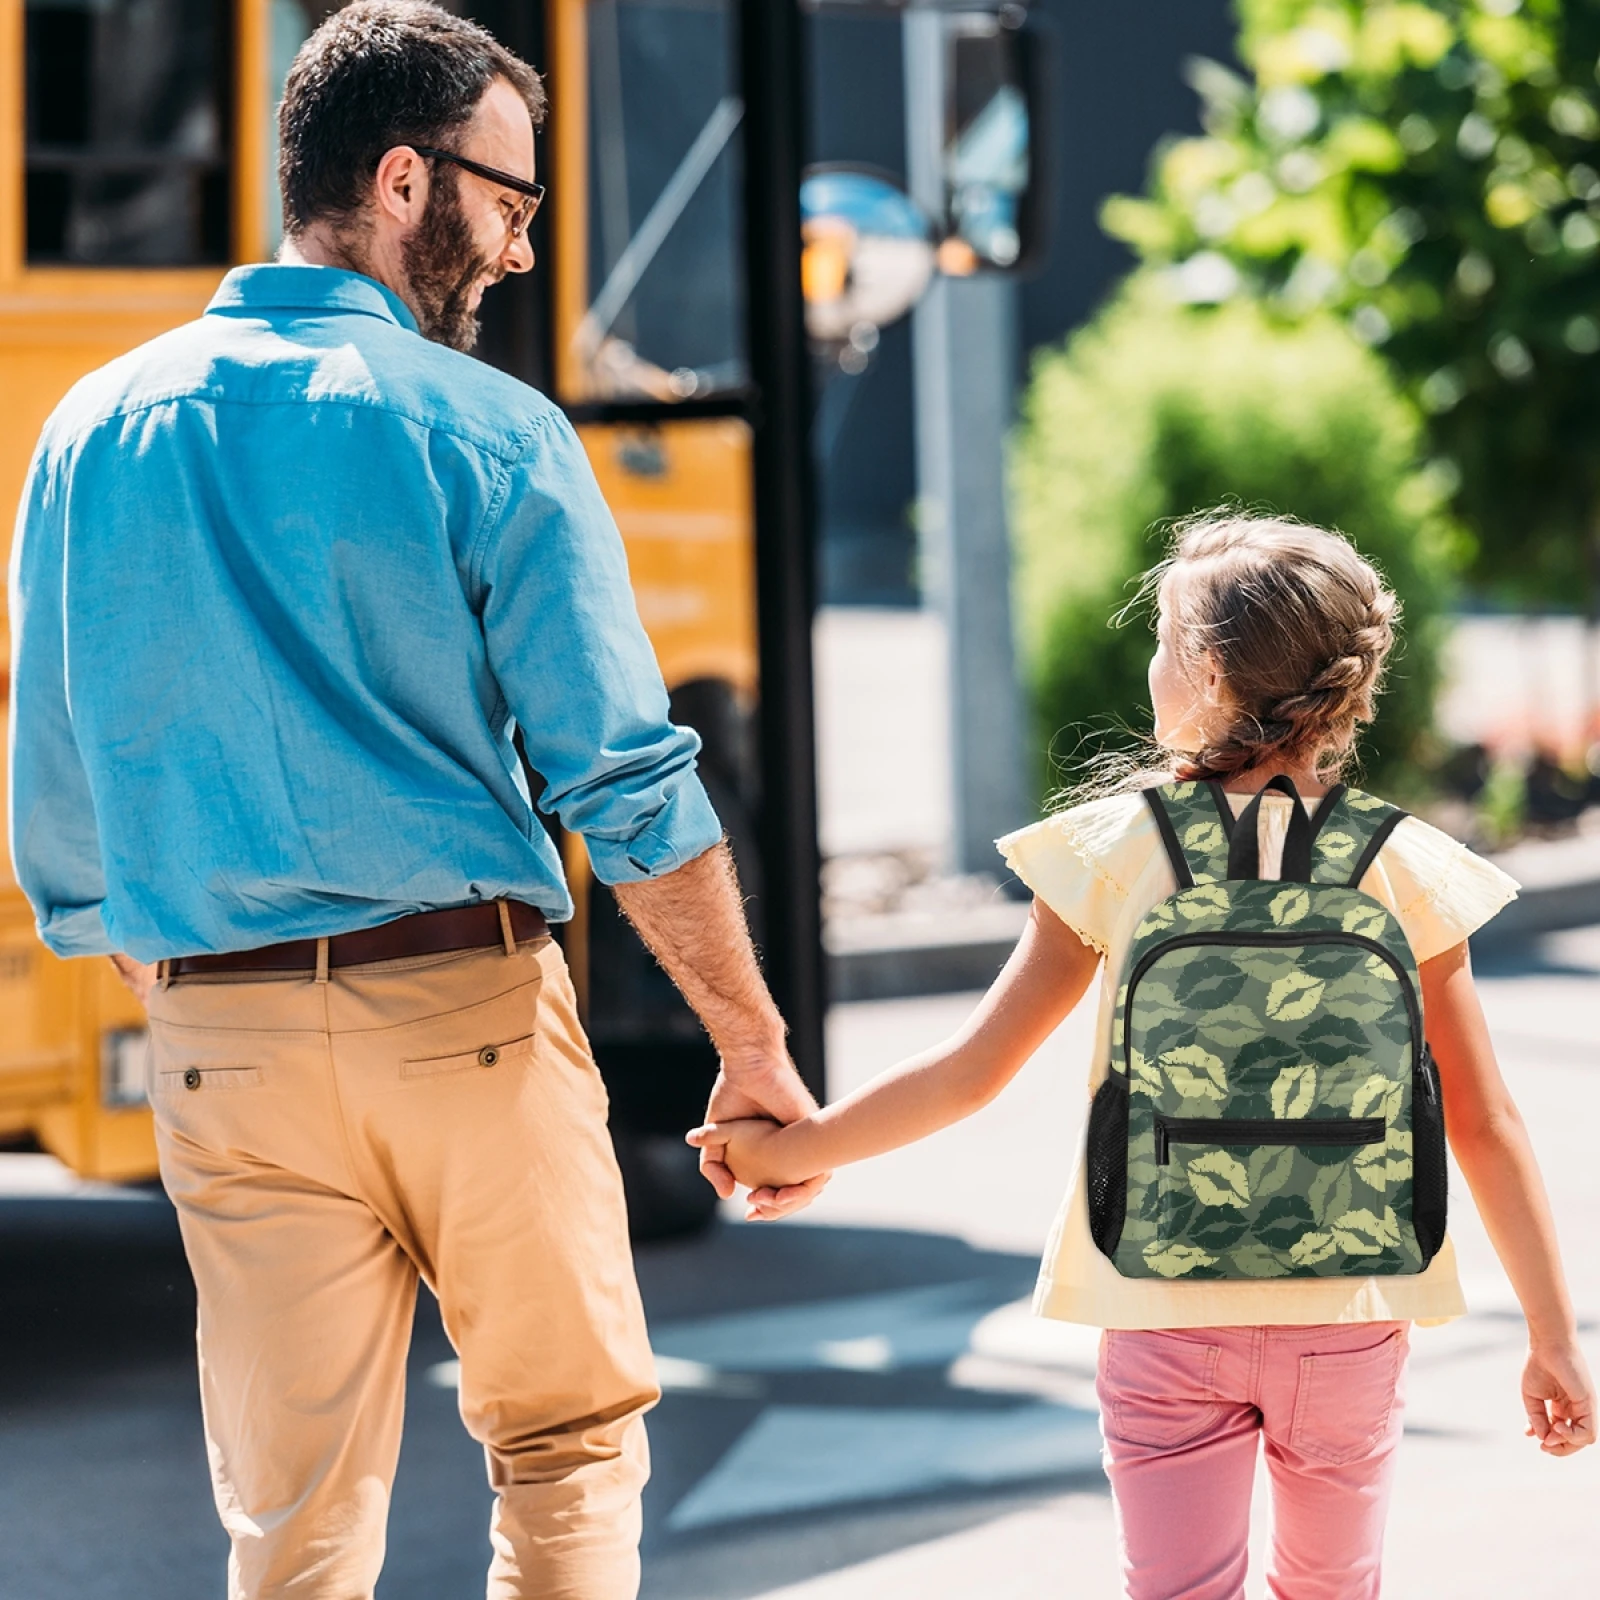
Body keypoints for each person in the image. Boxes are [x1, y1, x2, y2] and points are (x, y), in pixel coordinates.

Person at [7, 4, 821, 1596]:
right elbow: (625, 779)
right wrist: (748, 1044)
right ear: (401, 179)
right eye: (509, 203)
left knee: (292, 1520)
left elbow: (57, 764)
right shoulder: (490, 430)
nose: (518, 251)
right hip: (462, 1014)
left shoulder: (88, 429)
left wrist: (179, 973)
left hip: (219, 1044)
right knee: (566, 1446)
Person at [693, 514, 1596, 1599]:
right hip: (1349, 1318)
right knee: (1334, 1587)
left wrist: (790, 1148)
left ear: (1208, 671)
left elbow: (972, 1068)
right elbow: (1484, 1120)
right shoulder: (1398, 863)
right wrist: (1551, 1336)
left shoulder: (1118, 849)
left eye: (1164, 640)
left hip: (1162, 1306)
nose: (1153, 662)